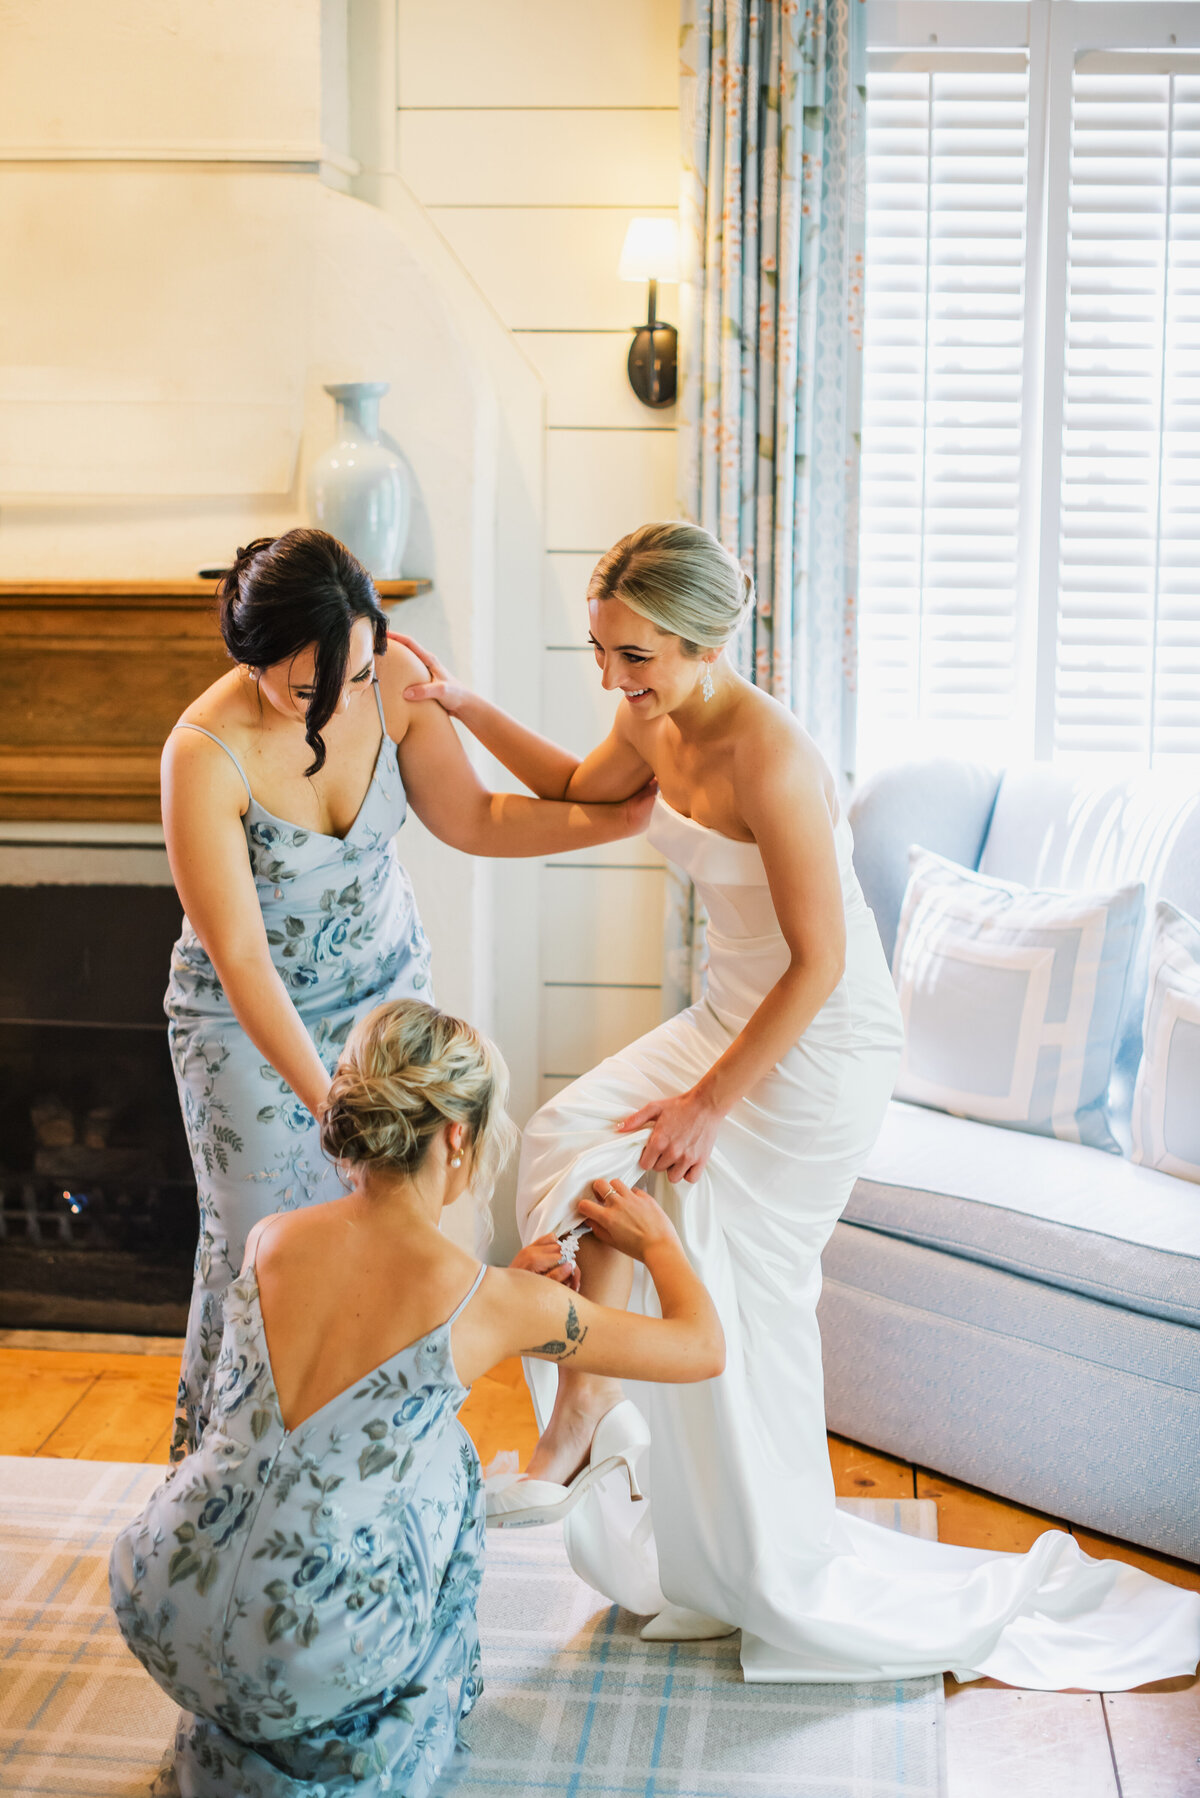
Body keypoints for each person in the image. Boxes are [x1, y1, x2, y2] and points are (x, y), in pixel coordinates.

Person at [398, 520, 1200, 1690]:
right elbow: (573, 787)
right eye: (603, 654)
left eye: (639, 659)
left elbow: (820, 962)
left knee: (693, 1217)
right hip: (730, 1007)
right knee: (572, 1135)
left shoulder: (768, 754)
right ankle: (592, 1395)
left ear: (706, 642)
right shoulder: (644, 712)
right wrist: (464, 708)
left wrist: (711, 1106)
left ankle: (712, 1520)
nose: (618, 683)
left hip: (816, 1039)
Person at [110, 998, 724, 1798]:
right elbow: (700, 1348)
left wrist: (501, 1304)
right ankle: (358, 1737)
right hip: (304, 1649)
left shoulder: (272, 1241)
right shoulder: (493, 1300)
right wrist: (659, 1245)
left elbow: (344, 1391)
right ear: (458, 1136)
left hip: (160, 1597)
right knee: (450, 1468)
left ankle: (241, 1715)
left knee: (364, 1446)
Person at [162, 529, 652, 1459]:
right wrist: (333, 1112)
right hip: (250, 1025)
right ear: (251, 657)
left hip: (386, 1007)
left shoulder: (385, 678)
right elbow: (243, 961)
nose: (343, 702)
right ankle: (231, 1484)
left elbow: (470, 817)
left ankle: (379, 1473)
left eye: (355, 673)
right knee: (258, 1253)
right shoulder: (200, 756)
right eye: (310, 688)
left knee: (398, 1242)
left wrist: (605, 822)